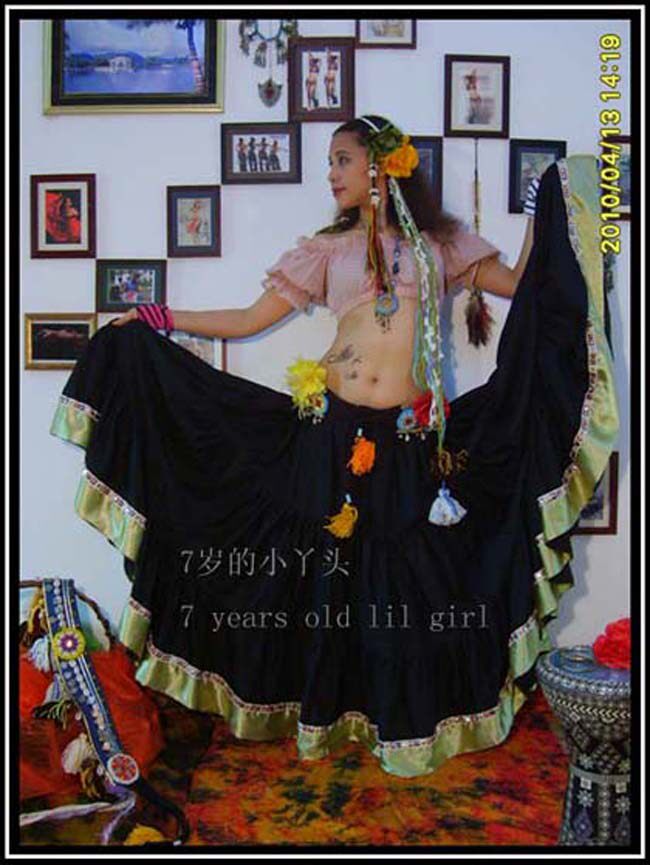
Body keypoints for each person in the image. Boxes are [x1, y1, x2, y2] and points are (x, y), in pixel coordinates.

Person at [50, 115, 618, 778]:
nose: (331, 175)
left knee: (406, 577)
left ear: (379, 165)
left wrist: (552, 201)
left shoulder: (441, 245)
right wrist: (157, 317)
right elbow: (248, 319)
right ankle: (318, 711)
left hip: (409, 438)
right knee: (322, 572)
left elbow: (524, 284)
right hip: (328, 430)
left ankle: (394, 717)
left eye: (341, 160)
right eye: (329, 163)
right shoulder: (326, 250)